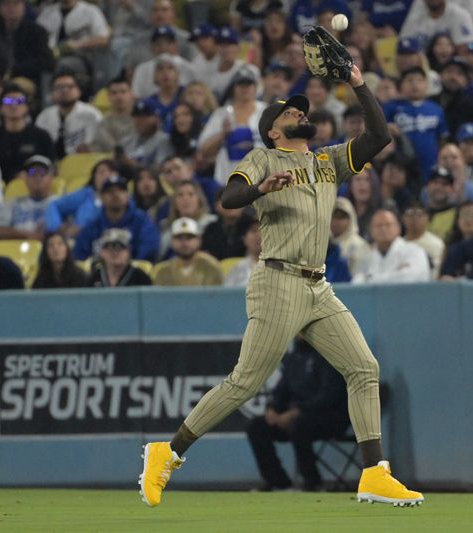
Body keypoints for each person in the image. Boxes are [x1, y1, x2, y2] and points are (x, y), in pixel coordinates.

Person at [138, 65, 424, 508]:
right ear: (273, 131)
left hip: (317, 285)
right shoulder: (263, 158)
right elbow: (228, 199)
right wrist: (260, 189)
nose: (299, 114)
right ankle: (168, 452)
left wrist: (358, 82)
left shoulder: (326, 161)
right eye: (290, 112)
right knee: (245, 383)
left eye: (300, 110)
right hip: (278, 279)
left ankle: (373, 473)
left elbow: (379, 136)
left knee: (364, 369)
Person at [246, 335, 349, 492]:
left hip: (331, 418)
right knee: (257, 426)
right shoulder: (294, 358)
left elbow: (330, 395)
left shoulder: (330, 355)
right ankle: (279, 483)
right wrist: (272, 409)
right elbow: (282, 391)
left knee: (299, 424)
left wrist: (298, 411)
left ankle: (312, 482)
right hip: (294, 417)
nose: (298, 332)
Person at [73, 175, 159, 261]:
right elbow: (80, 255)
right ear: (101, 198)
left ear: (127, 196)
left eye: (121, 190)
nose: (116, 194)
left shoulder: (141, 220)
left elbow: (149, 248)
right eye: (110, 192)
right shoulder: (93, 225)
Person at [0, 84, 55, 182]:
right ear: (0, 108)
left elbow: (49, 166)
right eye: (8, 101)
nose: (13, 105)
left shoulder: (41, 136)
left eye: (19, 101)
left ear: (26, 107)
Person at [35, 72, 103, 159]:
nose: (64, 91)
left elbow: (97, 146)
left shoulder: (92, 115)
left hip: (82, 163)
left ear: (78, 90)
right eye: (59, 87)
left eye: (69, 87)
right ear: (52, 92)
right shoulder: (44, 116)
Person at [352, 209, 430, 283]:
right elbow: (357, 283)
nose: (383, 229)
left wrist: (371, 278)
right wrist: (394, 273)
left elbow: (408, 279)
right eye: (378, 226)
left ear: (398, 228)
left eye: (388, 225)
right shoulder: (367, 258)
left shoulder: (414, 251)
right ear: (371, 231)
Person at [0, 156, 59, 241]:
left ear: (51, 178)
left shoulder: (60, 203)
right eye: (32, 172)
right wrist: (28, 235)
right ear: (26, 179)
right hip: (17, 251)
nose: (37, 177)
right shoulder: (13, 203)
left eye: (42, 172)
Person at [153, 217, 224, 286]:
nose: (185, 243)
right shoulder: (164, 271)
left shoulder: (211, 268)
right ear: (172, 242)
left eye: (189, 238)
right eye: (179, 238)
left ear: (199, 240)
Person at [88, 228, 153, 288]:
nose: (115, 253)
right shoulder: (94, 278)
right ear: (102, 252)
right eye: (109, 248)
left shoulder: (141, 278)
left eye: (121, 247)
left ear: (128, 252)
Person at [91, 77, 135, 153]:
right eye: (114, 93)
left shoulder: (143, 118)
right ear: (108, 97)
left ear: (131, 94)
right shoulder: (103, 123)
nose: (119, 97)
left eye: (123, 92)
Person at [401, 203, 445, 279]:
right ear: (403, 219)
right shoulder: (398, 245)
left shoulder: (436, 244)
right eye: (410, 214)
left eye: (419, 214)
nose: (414, 218)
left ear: (428, 219)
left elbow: (438, 271)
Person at [224, 216, 262, 287]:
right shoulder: (237, 269)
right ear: (244, 238)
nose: (258, 235)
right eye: (253, 231)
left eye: (263, 230)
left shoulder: (281, 267)